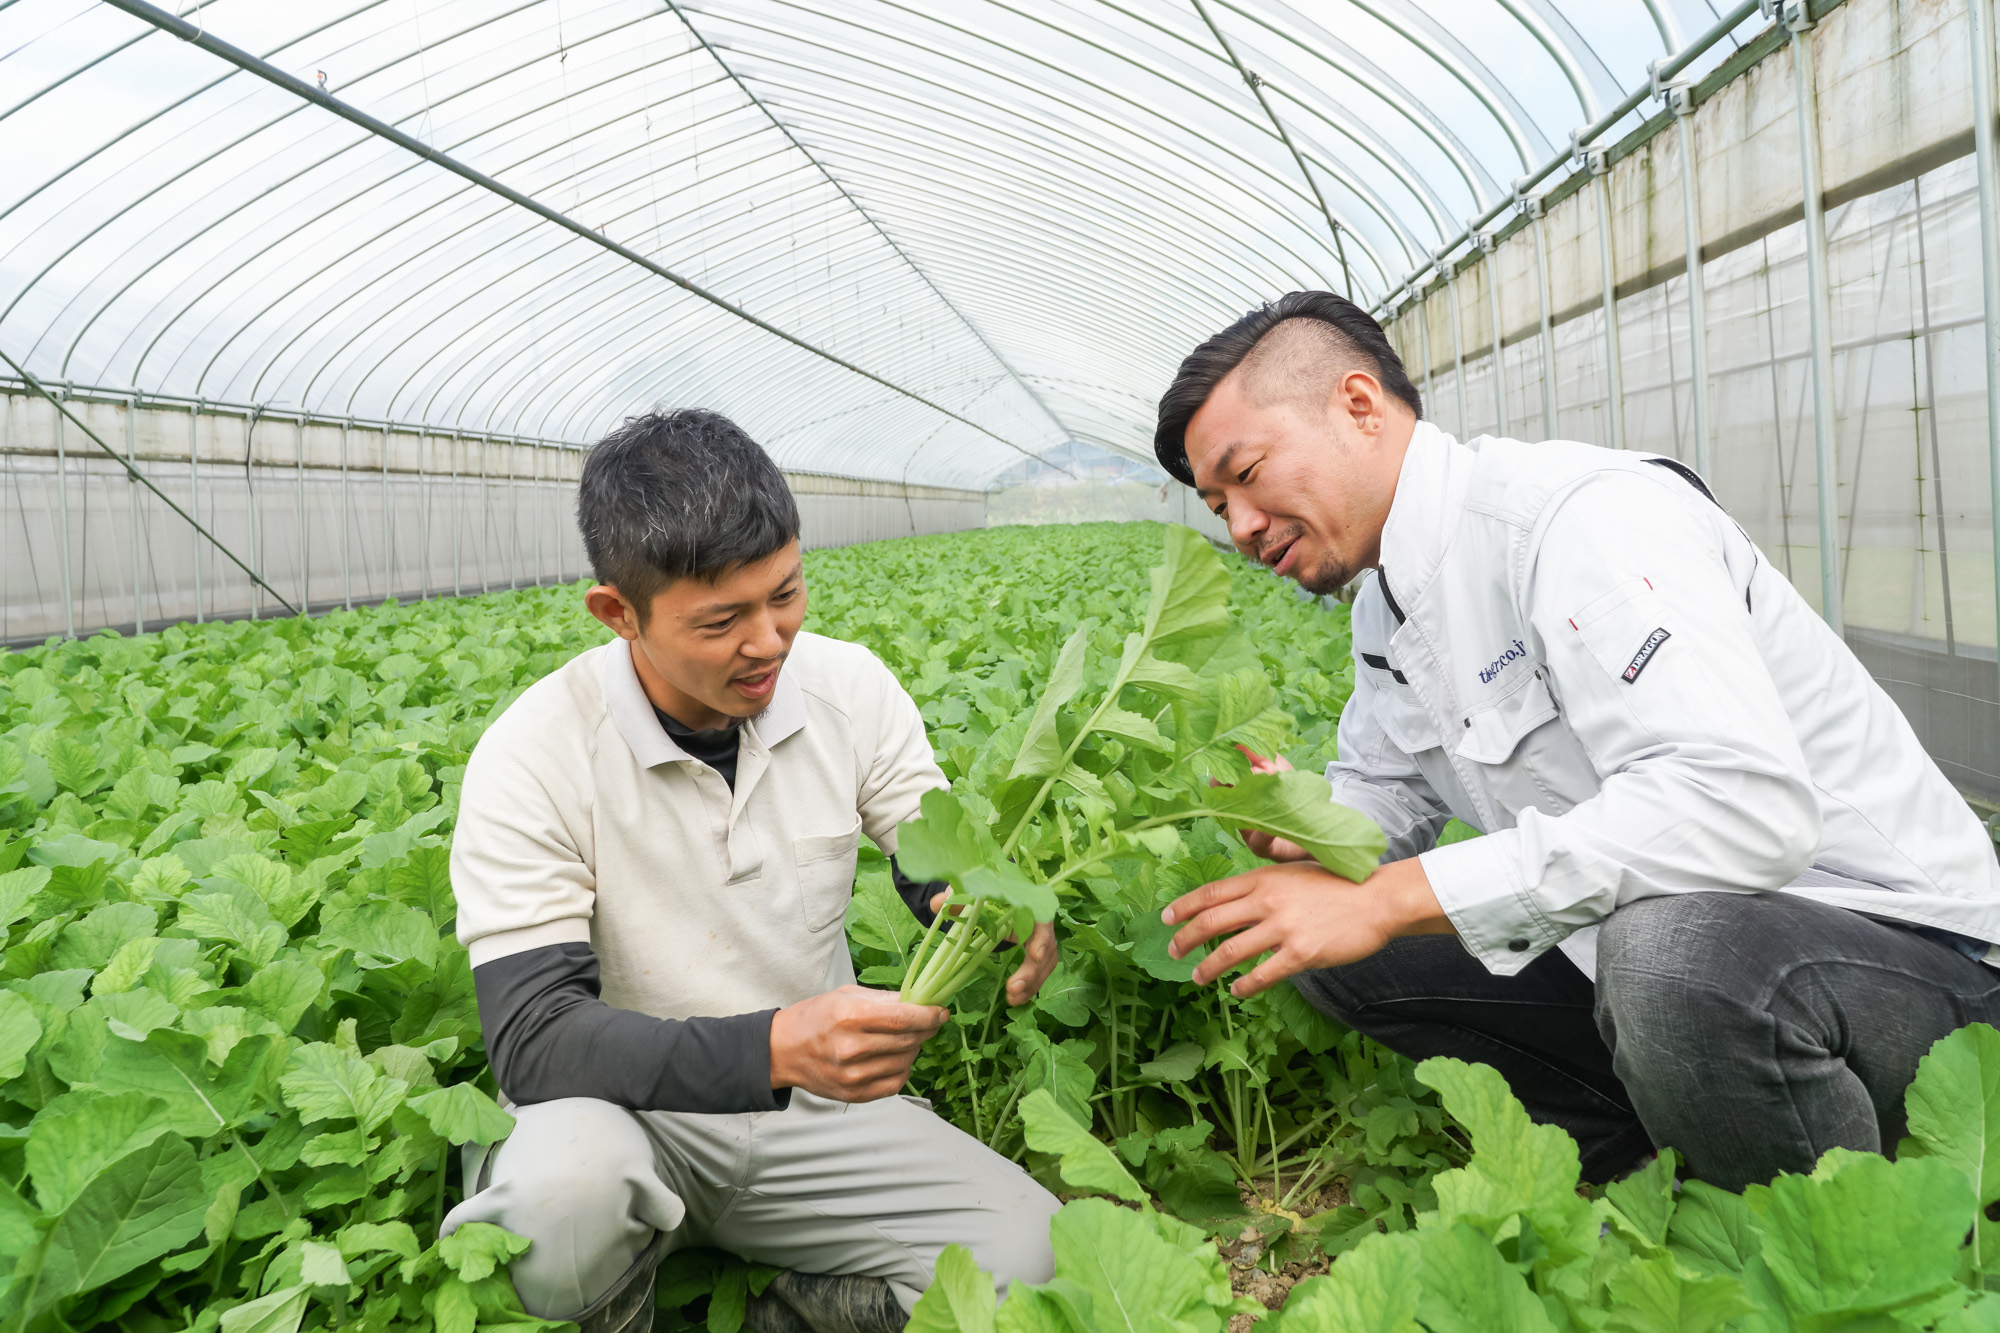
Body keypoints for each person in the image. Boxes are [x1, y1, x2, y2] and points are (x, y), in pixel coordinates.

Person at [1150, 289, 2000, 1190]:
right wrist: (1305, 827)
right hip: (1653, 960)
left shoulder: (1577, 518)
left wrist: (1395, 894)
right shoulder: (1387, 609)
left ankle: (1833, 1250)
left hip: (1911, 966)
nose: (1238, 526)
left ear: (1358, 405)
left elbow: (1744, 808)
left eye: (1246, 474)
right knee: (1321, 937)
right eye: (1215, 503)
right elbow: (1385, 796)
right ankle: (1649, 1175)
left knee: (1670, 957)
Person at [441, 409, 1061, 1333]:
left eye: (786, 592)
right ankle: (620, 1299)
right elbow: (536, 1038)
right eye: (722, 619)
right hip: (622, 1114)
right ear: (619, 613)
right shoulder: (535, 752)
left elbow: (931, 858)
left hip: (818, 1110)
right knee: (560, 1203)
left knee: (1037, 1266)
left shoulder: (849, 688)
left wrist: (994, 903)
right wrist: (772, 1047)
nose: (769, 640)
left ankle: (789, 1312)